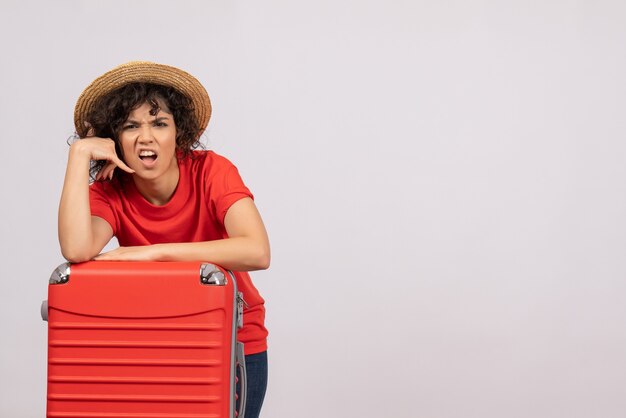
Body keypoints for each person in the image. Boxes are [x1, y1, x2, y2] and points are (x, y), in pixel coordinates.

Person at [58, 61, 270, 417]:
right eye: (130, 126)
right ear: (115, 139)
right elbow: (77, 249)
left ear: (179, 133)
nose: (146, 137)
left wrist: (150, 254)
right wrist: (78, 156)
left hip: (234, 343)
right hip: (156, 339)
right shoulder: (110, 191)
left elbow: (257, 250)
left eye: (159, 123)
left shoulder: (213, 171)